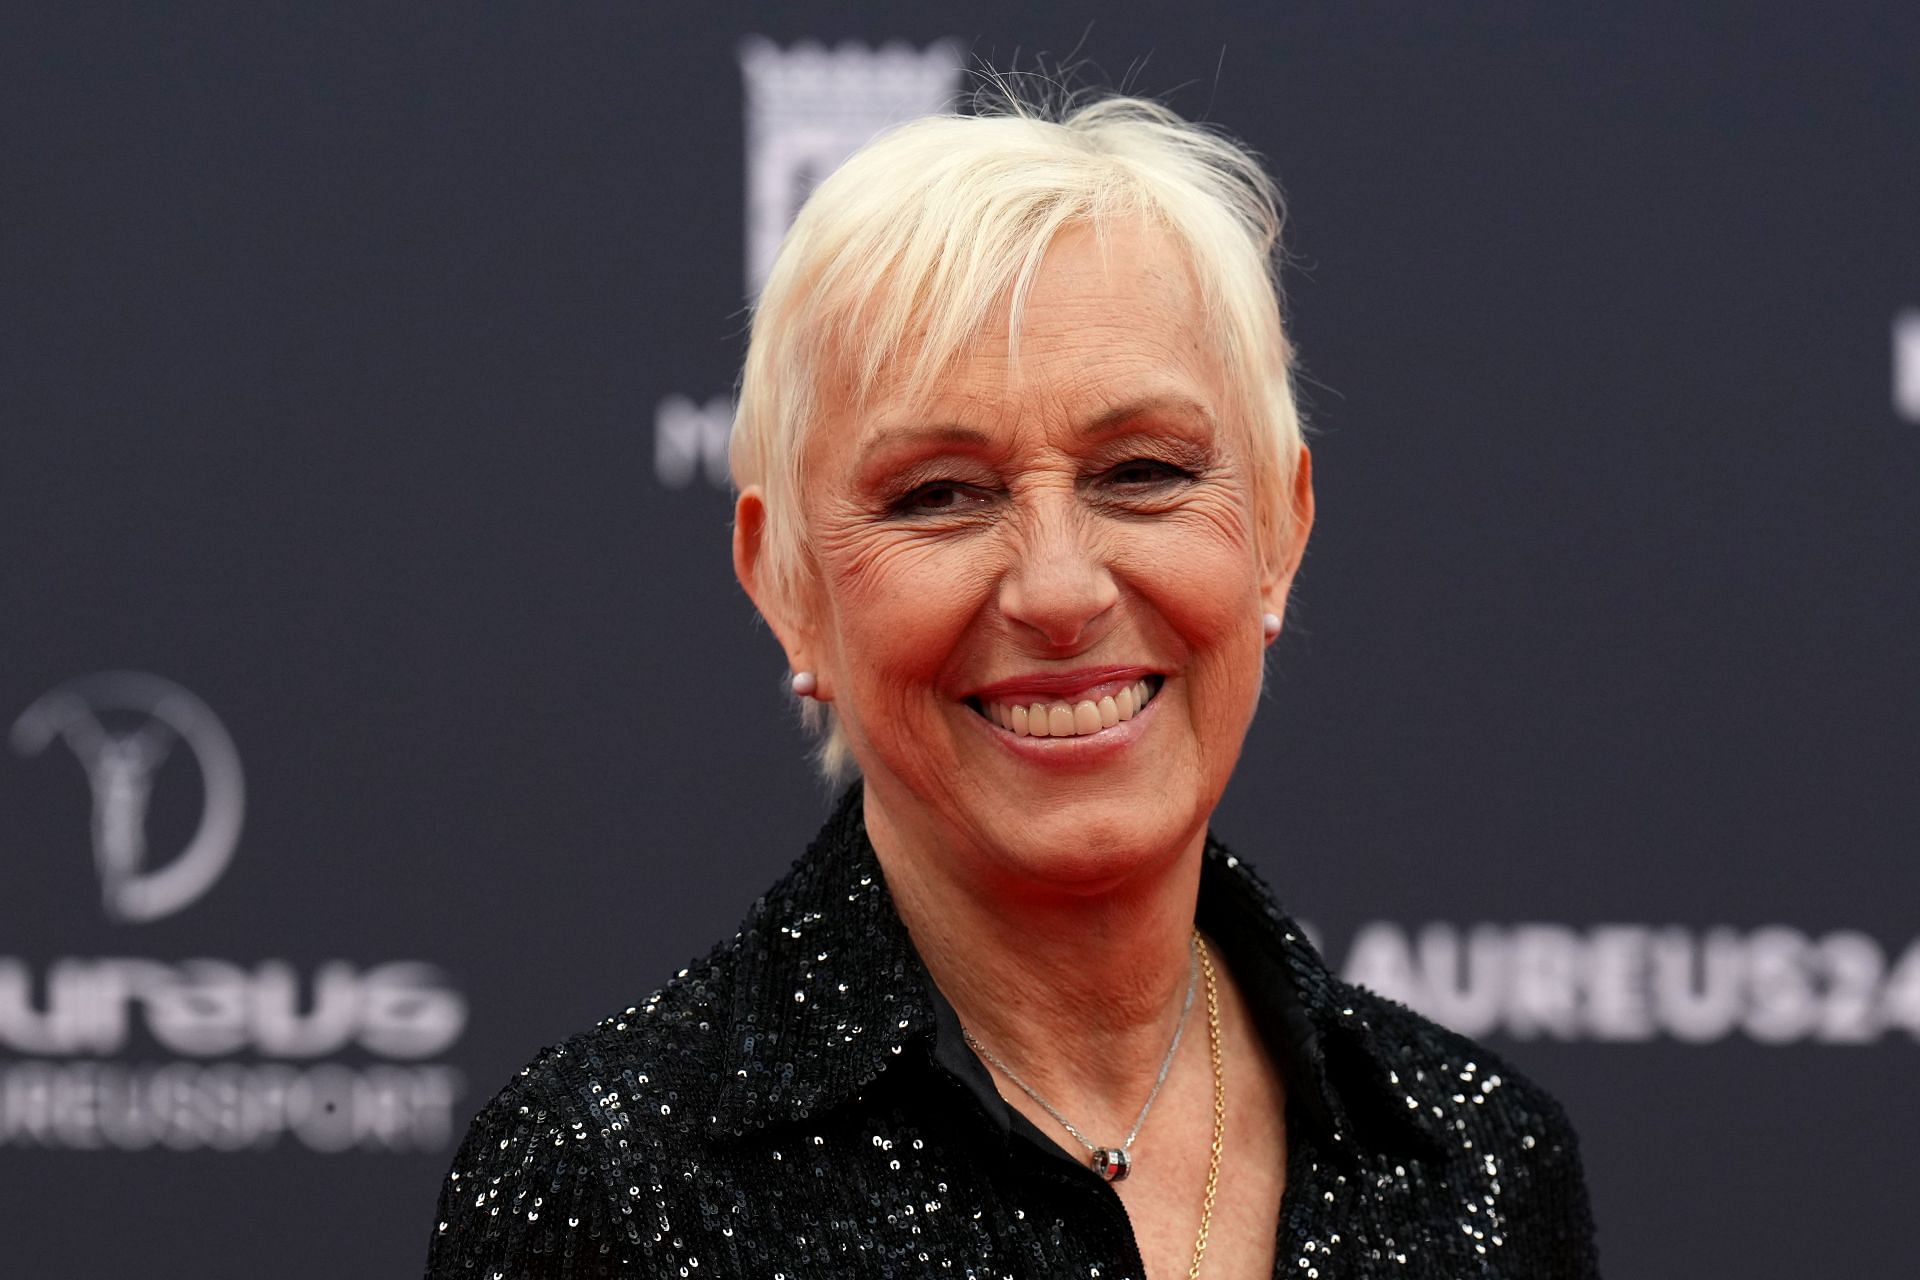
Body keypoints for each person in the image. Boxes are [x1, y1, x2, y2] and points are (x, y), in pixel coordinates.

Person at [427, 91, 1599, 1279]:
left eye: (1142, 471)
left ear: (1280, 533)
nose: (1056, 589)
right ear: (790, 589)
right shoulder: (611, 1186)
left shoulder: (1480, 1163)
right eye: (938, 493)